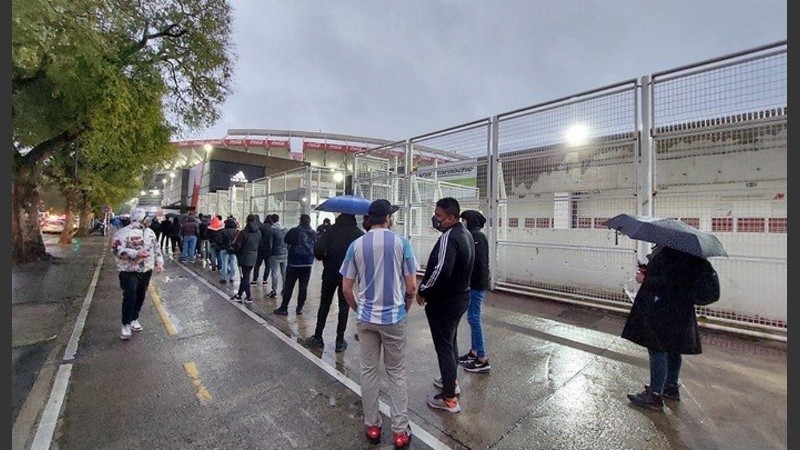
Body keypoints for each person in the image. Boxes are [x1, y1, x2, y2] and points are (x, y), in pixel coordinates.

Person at [340, 199, 417, 448]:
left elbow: (346, 288)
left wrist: (358, 308)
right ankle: (400, 431)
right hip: (393, 318)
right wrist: (404, 307)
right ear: (387, 218)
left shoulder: (356, 245)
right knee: (396, 373)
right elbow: (412, 286)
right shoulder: (401, 243)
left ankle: (372, 426)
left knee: (369, 371)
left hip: (366, 319)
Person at [622, 245, 705, 412]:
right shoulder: (687, 253)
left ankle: (654, 395)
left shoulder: (670, 253)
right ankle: (670, 386)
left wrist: (645, 279)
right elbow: (674, 279)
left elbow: (668, 282)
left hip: (664, 309)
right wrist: (649, 270)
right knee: (673, 347)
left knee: (657, 348)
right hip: (680, 310)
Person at [417, 197, 475, 413]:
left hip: (445, 303)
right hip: (460, 298)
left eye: (439, 216)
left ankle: (449, 399)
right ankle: (451, 381)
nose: (435, 219)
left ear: (451, 218)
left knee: (443, 346)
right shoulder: (465, 234)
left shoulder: (449, 238)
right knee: (450, 342)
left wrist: (423, 290)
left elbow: (441, 270)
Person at [303, 213, 364, 352]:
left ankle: (318, 337)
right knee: (344, 307)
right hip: (348, 276)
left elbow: (317, 249)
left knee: (324, 304)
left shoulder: (330, 230)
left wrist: (324, 259)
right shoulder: (358, 234)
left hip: (329, 273)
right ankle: (339, 341)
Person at [111, 209, 164, 340]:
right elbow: (117, 250)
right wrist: (136, 254)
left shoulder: (150, 232)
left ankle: (134, 318)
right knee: (130, 296)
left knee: (140, 295)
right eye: (146, 218)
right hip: (128, 271)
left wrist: (159, 262)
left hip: (146, 269)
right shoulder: (122, 233)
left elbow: (156, 248)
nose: (148, 220)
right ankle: (125, 324)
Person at [457, 210, 492, 373]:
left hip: (476, 285)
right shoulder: (475, 235)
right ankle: (474, 351)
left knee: (474, 318)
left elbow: (475, 263)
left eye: (463, 219)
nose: (462, 222)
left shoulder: (476, 236)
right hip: (475, 284)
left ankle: (482, 358)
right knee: (472, 318)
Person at [273, 214, 315, 315]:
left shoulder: (295, 230)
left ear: (300, 221)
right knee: (303, 287)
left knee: (289, 286)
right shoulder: (313, 232)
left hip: (294, 263)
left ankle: (284, 308)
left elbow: (286, 240)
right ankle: (299, 308)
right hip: (307, 264)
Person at [230, 214, 261, 303]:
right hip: (253, 256)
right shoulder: (258, 233)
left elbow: (237, 245)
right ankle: (242, 295)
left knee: (245, 277)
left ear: (247, 221)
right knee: (245, 276)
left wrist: (236, 252)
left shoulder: (243, 232)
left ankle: (247, 296)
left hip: (243, 256)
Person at [266, 214, 288, 299]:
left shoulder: (272, 230)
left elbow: (270, 244)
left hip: (275, 254)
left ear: (271, 220)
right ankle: (285, 289)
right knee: (284, 272)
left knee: (274, 272)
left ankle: (274, 291)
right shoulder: (285, 229)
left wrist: (269, 253)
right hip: (284, 253)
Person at [252, 215, 273, 286]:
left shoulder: (261, 227)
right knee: (268, 266)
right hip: (269, 249)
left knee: (257, 265)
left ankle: (254, 280)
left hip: (260, 249)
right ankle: (265, 280)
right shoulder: (272, 228)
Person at [218, 217, 239, 284]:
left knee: (224, 263)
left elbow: (220, 240)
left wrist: (221, 246)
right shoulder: (236, 231)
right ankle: (232, 278)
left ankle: (224, 278)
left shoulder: (223, 231)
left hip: (224, 248)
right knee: (233, 263)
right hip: (233, 249)